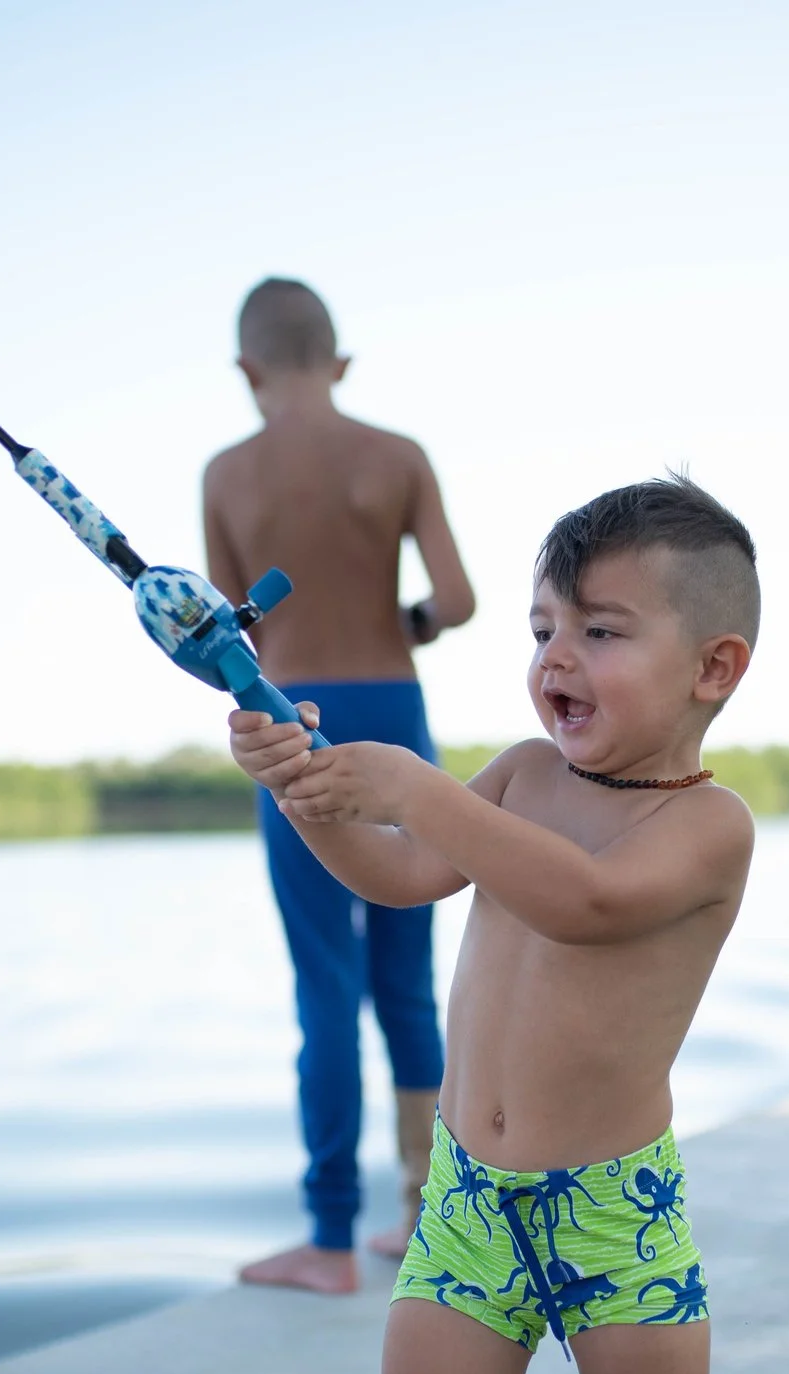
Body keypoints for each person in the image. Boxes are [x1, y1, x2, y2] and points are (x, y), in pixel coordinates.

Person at [228, 477, 772, 1374]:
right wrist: (302, 786)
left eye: (600, 630)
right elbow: (400, 872)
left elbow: (584, 903)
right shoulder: (523, 775)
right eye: (541, 630)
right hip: (468, 1202)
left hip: (611, 1220)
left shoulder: (705, 825)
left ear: (714, 668)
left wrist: (415, 782)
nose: (556, 657)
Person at [204, 278, 477, 1293]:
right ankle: (427, 1215)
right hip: (397, 711)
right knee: (407, 985)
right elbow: (456, 598)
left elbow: (227, 632)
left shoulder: (226, 473)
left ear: (247, 370)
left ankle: (327, 1240)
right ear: (342, 361)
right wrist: (400, 625)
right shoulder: (398, 456)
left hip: (291, 718)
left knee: (324, 983)